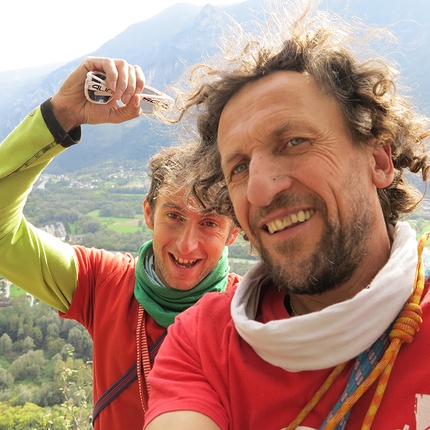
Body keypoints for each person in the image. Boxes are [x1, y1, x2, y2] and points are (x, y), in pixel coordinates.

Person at [144, 1, 430, 429]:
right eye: (238, 168)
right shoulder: (203, 342)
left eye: (294, 142)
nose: (259, 189)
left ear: (379, 160)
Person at [0, 57, 240, 430]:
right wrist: (62, 114)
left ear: (233, 234)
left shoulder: (252, 314)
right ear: (149, 213)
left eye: (209, 223)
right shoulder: (104, 283)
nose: (187, 244)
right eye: (173, 215)